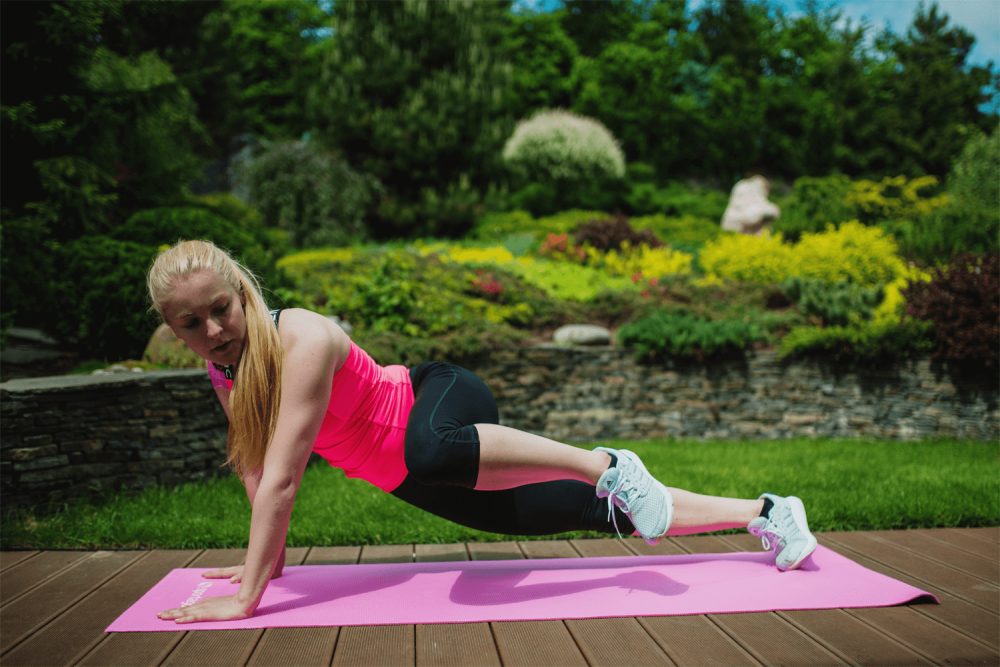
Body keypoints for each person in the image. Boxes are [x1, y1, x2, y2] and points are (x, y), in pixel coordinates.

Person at [150, 239, 817, 625]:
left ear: (241, 291)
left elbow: (287, 477)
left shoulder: (300, 336)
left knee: (431, 447)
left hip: (437, 402)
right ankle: (770, 513)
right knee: (602, 514)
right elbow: (256, 470)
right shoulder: (226, 371)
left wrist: (247, 598)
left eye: (220, 309)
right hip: (418, 474)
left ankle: (605, 461)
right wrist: (263, 561)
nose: (213, 331)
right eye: (191, 323)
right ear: (172, 328)